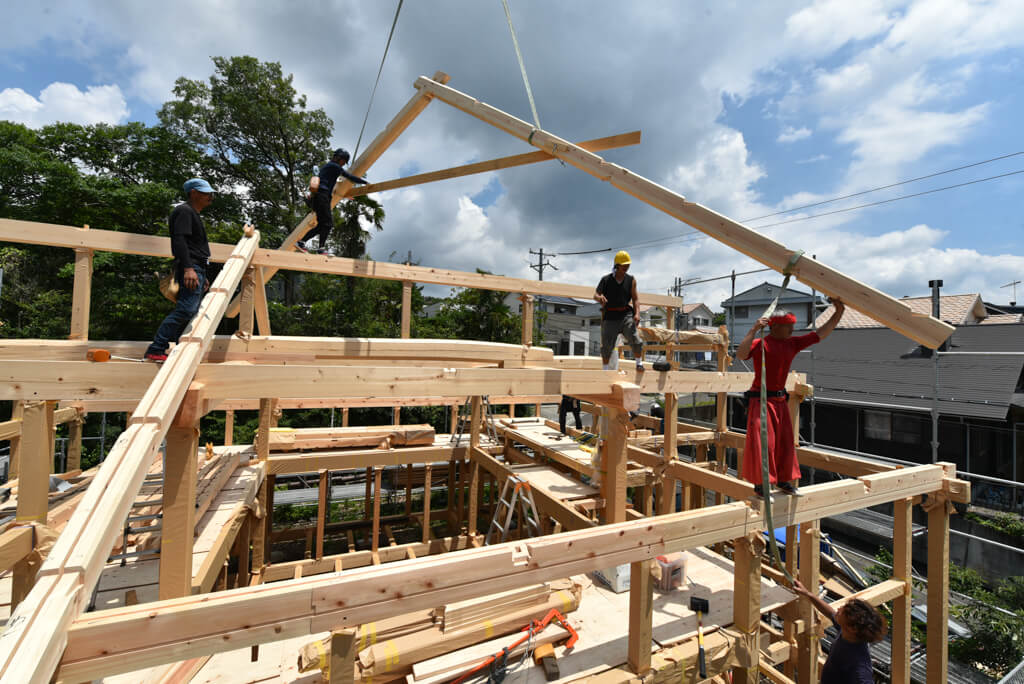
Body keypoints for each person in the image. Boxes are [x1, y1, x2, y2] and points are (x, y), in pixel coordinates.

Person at [735, 299, 845, 495]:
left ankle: (784, 480)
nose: (792, 331)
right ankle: (762, 483)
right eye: (788, 327)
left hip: (779, 400)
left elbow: (821, 334)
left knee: (785, 442)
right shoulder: (761, 343)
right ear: (774, 326)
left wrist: (839, 311)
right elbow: (741, 355)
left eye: (793, 327)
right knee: (764, 442)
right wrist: (753, 329)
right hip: (761, 400)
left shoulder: (791, 344)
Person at [144, 178, 216, 362]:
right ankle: (157, 348)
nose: (210, 196)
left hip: (196, 267)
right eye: (206, 193)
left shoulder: (192, 213)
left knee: (189, 311)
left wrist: (202, 274)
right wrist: (189, 268)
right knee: (185, 310)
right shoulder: (184, 211)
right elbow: (180, 241)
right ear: (193, 193)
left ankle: (176, 349)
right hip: (191, 266)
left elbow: (191, 245)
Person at [791, 579, 887, 683]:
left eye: (843, 611)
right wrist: (807, 594)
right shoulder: (848, 632)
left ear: (852, 628)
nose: (839, 608)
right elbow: (829, 612)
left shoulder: (859, 666)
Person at [297, 148, 368, 254]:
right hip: (322, 197)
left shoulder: (328, 167)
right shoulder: (334, 166)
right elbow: (349, 176)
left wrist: (344, 195)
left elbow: (332, 187)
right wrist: (365, 182)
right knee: (328, 224)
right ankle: (317, 247)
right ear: (340, 159)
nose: (343, 164)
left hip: (319, 197)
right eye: (344, 162)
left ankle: (306, 243)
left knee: (322, 224)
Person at [595, 250, 644, 371]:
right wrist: (599, 297)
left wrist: (637, 313)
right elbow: (595, 295)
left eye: (628, 265)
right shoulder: (606, 280)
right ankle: (605, 370)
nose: (627, 267)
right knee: (607, 345)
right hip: (610, 315)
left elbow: (635, 299)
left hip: (626, 314)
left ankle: (639, 363)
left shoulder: (631, 280)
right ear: (617, 265)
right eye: (624, 265)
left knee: (635, 339)